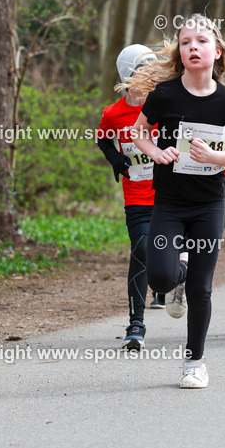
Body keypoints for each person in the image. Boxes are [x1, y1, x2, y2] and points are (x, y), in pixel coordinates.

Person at [128, 13, 225, 388]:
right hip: (168, 202)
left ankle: (194, 362)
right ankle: (175, 277)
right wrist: (155, 151)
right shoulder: (164, 95)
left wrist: (215, 158)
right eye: (185, 42)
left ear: (217, 52)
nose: (193, 47)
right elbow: (138, 133)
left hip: (209, 206)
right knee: (160, 277)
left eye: (201, 41)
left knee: (202, 288)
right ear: (179, 52)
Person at [96, 44, 164, 350]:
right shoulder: (113, 113)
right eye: (146, 69)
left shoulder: (165, 105)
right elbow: (102, 138)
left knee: (166, 258)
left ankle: (171, 284)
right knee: (140, 250)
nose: (154, 74)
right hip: (136, 196)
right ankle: (136, 324)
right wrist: (114, 157)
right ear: (129, 74)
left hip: (168, 195)